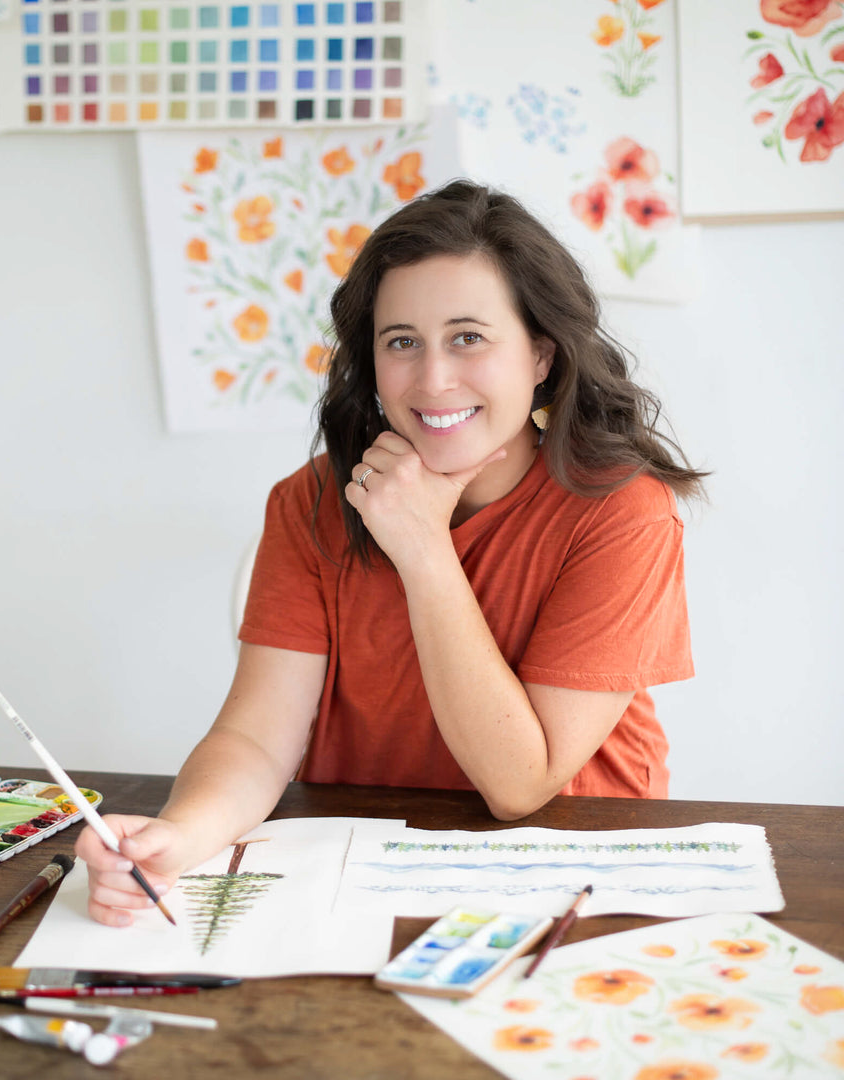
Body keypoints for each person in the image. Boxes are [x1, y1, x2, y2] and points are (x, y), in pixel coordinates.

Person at [77, 180, 707, 926]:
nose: (433, 380)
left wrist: (422, 546)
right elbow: (255, 738)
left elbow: (520, 784)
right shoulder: (313, 501)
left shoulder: (621, 512)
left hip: (573, 878)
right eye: (402, 341)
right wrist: (178, 837)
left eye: (468, 337)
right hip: (362, 873)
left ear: (540, 353)